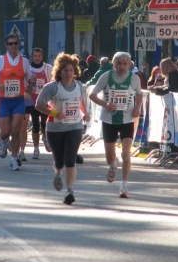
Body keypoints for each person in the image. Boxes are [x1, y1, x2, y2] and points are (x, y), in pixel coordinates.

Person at [35, 52, 90, 205]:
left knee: (70, 159)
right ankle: (58, 173)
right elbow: (38, 105)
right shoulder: (52, 87)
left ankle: (70, 191)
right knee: (59, 161)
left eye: (71, 70)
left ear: (75, 72)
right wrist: (54, 113)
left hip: (74, 126)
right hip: (55, 129)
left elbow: (80, 101)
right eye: (65, 70)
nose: (68, 73)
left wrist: (85, 113)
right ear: (59, 72)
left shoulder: (79, 86)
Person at [89, 52, 142, 198]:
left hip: (127, 120)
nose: (122, 67)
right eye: (119, 63)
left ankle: (124, 186)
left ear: (129, 64)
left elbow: (139, 94)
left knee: (126, 153)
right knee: (109, 157)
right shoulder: (106, 76)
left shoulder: (134, 78)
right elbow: (92, 95)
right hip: (109, 120)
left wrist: (137, 108)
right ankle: (113, 164)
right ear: (114, 64)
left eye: (125, 64)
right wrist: (105, 104)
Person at [0, 34, 36, 171]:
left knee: (16, 130)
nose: (13, 46)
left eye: (15, 43)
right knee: (5, 131)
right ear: (6, 46)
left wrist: (31, 83)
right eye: (10, 44)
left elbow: (28, 80)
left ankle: (14, 159)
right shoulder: (0, 60)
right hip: (4, 100)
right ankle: (3, 140)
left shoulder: (24, 61)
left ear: (18, 44)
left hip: (18, 100)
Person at [29, 48, 53, 159]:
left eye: (39, 56)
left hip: (44, 102)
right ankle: (36, 149)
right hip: (32, 101)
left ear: (42, 57)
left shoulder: (48, 68)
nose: (37, 58)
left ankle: (45, 137)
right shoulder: (28, 68)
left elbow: (52, 84)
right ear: (32, 57)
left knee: (44, 124)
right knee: (35, 126)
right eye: (35, 56)